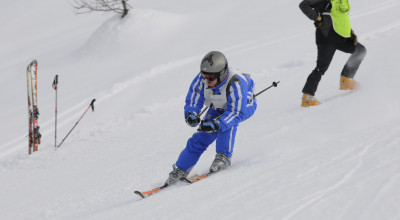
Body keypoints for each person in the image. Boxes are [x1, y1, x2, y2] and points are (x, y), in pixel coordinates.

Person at [165, 51, 257, 184]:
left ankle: (223, 156)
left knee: (225, 126)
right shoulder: (202, 79)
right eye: (204, 76)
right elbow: (193, 100)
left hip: (243, 106)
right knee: (201, 136)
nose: (206, 80)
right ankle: (181, 169)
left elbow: (235, 113)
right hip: (218, 106)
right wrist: (191, 114)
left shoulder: (236, 83)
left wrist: (218, 124)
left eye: (210, 78)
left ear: (221, 74)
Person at [299, 0, 367, 107]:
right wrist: (316, 17)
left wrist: (350, 33)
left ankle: (346, 80)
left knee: (360, 50)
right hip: (327, 38)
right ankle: (307, 97)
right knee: (321, 67)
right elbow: (303, 4)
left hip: (341, 38)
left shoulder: (343, 1)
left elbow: (340, 18)